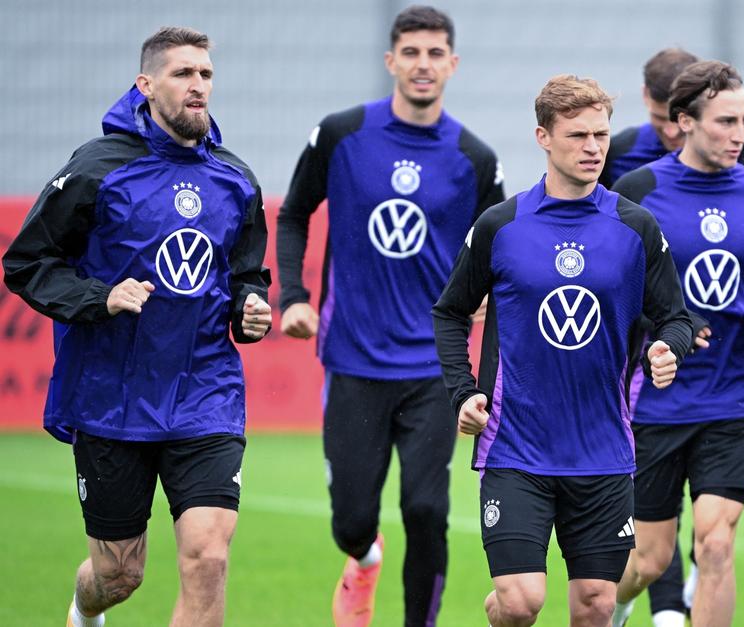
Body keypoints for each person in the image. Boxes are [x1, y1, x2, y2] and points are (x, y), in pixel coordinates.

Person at [2, 27, 271, 627]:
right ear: (146, 86)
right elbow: (27, 264)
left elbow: (246, 274)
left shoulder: (236, 179)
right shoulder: (97, 169)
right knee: (118, 574)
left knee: (208, 556)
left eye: (204, 74)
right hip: (113, 397)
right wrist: (101, 298)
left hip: (205, 391)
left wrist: (250, 308)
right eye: (182, 74)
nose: (197, 85)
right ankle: (83, 609)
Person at [431, 74, 693, 627]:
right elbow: (450, 313)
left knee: (596, 604)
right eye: (578, 135)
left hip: (602, 450)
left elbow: (677, 315)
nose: (594, 147)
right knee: (522, 602)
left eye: (601, 134)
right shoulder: (501, 225)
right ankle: (501, 609)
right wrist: (464, 393)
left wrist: (669, 347)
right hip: (515, 448)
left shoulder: (634, 226)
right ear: (543, 137)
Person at [274, 6, 504, 626]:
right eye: (411, 53)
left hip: (434, 368)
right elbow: (293, 213)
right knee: (351, 520)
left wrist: (484, 294)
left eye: (435, 54)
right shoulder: (342, 134)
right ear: (391, 62)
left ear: (452, 64)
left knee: (427, 510)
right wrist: (292, 296)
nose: (423, 65)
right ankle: (363, 559)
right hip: (351, 358)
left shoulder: (474, 158)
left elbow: (502, 251)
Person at [609, 61, 744, 627]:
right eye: (725, 121)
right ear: (684, 121)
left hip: (731, 397)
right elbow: (613, 288)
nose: (740, 134)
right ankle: (612, 609)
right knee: (648, 558)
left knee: (714, 543)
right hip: (655, 400)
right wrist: (665, 327)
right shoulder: (638, 192)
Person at [599, 48, 744, 190]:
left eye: (677, 120)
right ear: (645, 95)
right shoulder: (619, 151)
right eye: (659, 118)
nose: (672, 132)